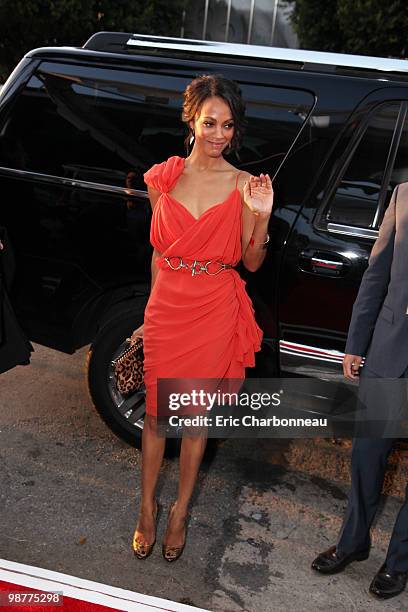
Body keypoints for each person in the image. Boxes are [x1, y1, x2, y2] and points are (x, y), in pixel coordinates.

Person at [129, 74, 273, 562]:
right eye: (210, 123)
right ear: (191, 120)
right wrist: (150, 314)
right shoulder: (162, 179)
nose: (219, 134)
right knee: (153, 417)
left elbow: (252, 262)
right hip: (167, 307)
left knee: (193, 420)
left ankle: (180, 513)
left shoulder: (244, 186)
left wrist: (263, 216)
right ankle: (147, 509)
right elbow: (156, 253)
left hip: (213, 309)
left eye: (228, 125)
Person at [311, 182, 408, 600]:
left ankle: (400, 561)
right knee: (367, 454)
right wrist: (356, 341)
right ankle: (354, 542)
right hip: (390, 348)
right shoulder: (405, 194)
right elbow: (378, 272)